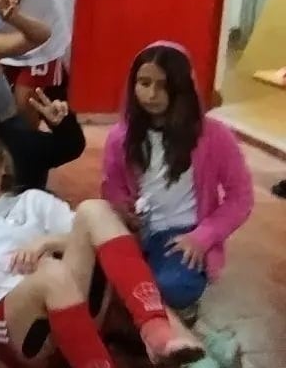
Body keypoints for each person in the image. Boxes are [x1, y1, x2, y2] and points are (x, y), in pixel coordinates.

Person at [0, 134, 205, 367]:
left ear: (2, 167)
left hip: (66, 298)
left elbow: (93, 236)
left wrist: (46, 242)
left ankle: (154, 327)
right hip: (10, 318)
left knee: (95, 209)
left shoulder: (32, 200)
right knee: (51, 271)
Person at [102, 42, 253, 318]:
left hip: (180, 236)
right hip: (134, 233)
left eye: (163, 85)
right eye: (143, 83)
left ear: (181, 87)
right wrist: (124, 209)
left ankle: (170, 313)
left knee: (171, 286)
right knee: (92, 276)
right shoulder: (119, 137)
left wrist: (202, 237)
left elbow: (241, 197)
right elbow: (112, 186)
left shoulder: (215, 135)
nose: (151, 94)